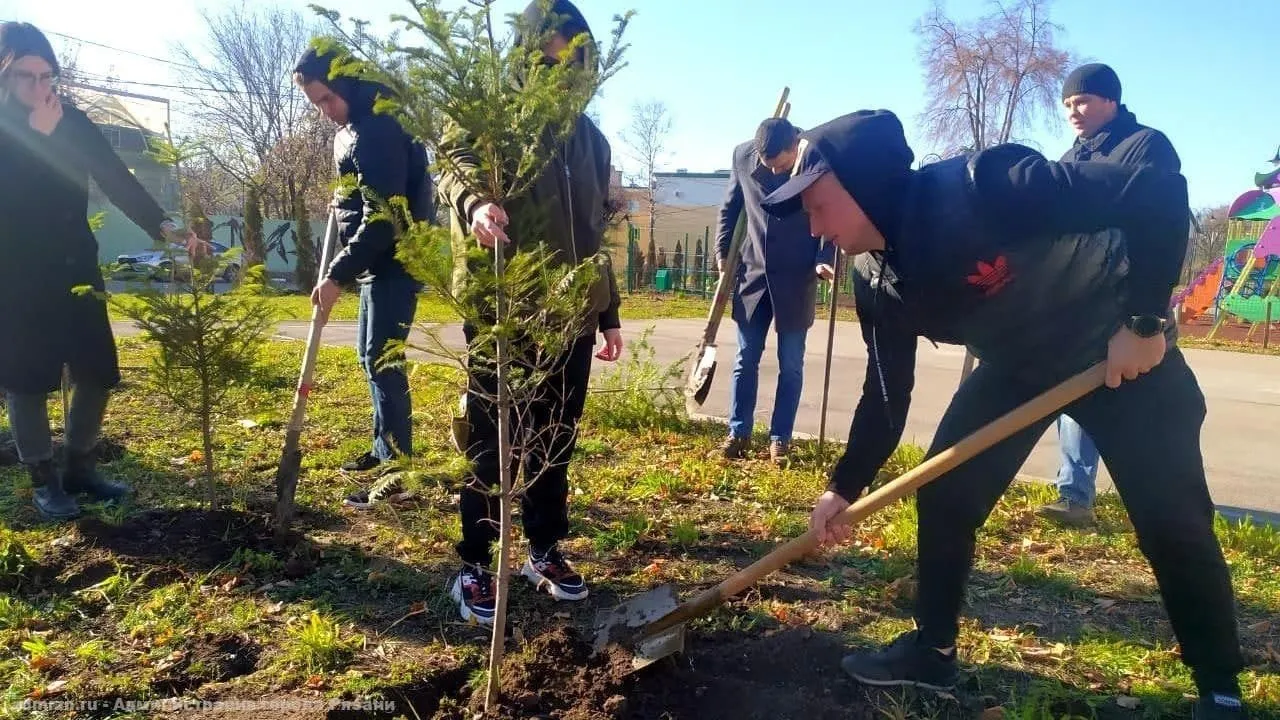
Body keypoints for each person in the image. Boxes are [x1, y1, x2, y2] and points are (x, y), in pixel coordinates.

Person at [761, 110, 1248, 719]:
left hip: (1117, 349)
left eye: (816, 205)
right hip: (1019, 368)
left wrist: (1145, 320)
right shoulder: (876, 276)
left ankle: (1220, 688)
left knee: (1172, 519)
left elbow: (1156, 191)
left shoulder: (987, 185)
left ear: (862, 185)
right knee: (944, 495)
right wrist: (843, 486)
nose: (813, 224)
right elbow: (887, 395)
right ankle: (932, 652)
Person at [435, 0, 624, 626]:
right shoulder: (497, 120)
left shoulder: (590, 139)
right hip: (506, 307)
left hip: (572, 312)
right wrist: (477, 203)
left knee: (556, 433)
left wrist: (610, 312)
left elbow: (592, 233)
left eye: (578, 64)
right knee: (494, 436)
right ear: (528, 54)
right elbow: (452, 163)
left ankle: (542, 549)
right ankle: (474, 563)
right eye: (555, 61)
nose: (567, 76)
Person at [0, 22, 187, 520]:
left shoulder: (74, 121)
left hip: (76, 266)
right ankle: (44, 480)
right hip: (17, 273)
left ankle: (80, 466)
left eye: (47, 75)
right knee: (28, 377)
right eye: (26, 77)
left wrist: (164, 226)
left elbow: (117, 179)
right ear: (4, 76)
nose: (40, 88)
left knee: (97, 368)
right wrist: (32, 141)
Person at [1041, 62, 1183, 527]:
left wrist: (1146, 313)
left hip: (1135, 302)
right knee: (1079, 395)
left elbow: (1159, 226)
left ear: (1110, 100)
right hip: (1084, 299)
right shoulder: (1069, 158)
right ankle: (1074, 493)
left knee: (1154, 406)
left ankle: (1164, 507)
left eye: (1081, 100)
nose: (1073, 111)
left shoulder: (1145, 145)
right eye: (1066, 104)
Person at [293, 43, 434, 509]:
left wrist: (336, 274)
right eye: (316, 104)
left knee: (384, 362)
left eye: (327, 100)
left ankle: (399, 476)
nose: (324, 112)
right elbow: (365, 196)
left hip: (395, 260)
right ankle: (382, 451)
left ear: (346, 85)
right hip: (375, 264)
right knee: (367, 357)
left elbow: (385, 216)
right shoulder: (354, 129)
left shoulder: (380, 128)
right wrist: (345, 204)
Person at [715, 117, 835, 464]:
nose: (775, 169)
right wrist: (723, 252)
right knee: (745, 359)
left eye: (781, 164)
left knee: (791, 365)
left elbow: (828, 214)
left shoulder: (817, 161)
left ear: (795, 144)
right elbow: (730, 207)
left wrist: (825, 255)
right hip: (753, 277)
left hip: (797, 278)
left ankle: (780, 438)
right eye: (768, 164)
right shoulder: (741, 157)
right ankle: (738, 433)